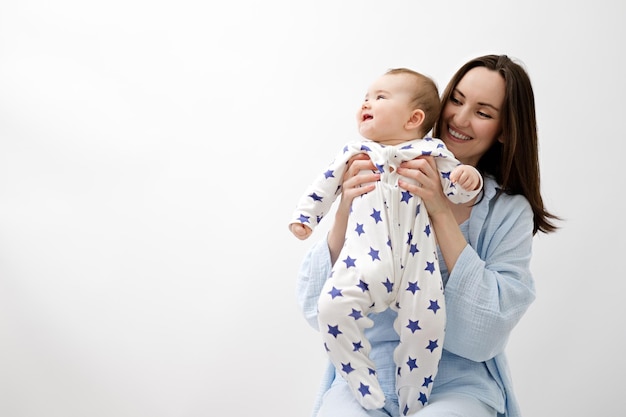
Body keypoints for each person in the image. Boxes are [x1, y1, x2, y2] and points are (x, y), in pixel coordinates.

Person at [296, 55, 560, 417]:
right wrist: (345, 207)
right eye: (456, 100)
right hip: (365, 377)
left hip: (457, 383)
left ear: (504, 130)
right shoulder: (375, 172)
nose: (460, 119)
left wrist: (439, 209)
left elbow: (484, 332)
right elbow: (316, 307)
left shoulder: (507, 211)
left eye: (483, 113)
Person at [290, 68, 483, 416]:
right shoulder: (355, 153)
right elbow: (324, 186)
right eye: (367, 96)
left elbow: (456, 189)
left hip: (417, 266)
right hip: (363, 262)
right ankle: (360, 380)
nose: (367, 101)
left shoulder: (430, 152)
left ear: (414, 118)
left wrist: (467, 179)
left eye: (380, 97)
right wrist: (306, 218)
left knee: (428, 326)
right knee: (331, 309)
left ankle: (414, 397)